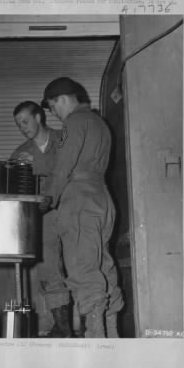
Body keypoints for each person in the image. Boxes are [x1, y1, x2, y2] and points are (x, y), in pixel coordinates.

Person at [40, 77, 124, 338]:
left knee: (82, 265)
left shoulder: (72, 124)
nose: (54, 114)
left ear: (63, 100)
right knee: (102, 265)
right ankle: (112, 334)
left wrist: (48, 198)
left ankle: (96, 338)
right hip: (102, 199)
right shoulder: (100, 124)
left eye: (53, 107)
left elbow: (63, 165)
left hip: (79, 200)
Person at [10, 100, 72, 337]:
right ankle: (64, 328)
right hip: (44, 220)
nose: (22, 127)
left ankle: (88, 328)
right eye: (18, 124)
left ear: (39, 117)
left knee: (80, 268)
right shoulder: (20, 154)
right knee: (49, 271)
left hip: (73, 213)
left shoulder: (66, 140)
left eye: (25, 121)